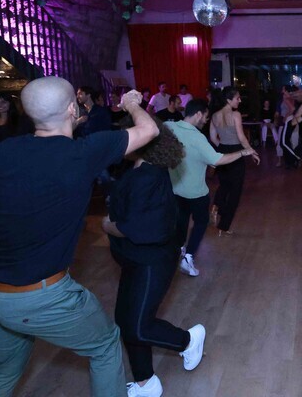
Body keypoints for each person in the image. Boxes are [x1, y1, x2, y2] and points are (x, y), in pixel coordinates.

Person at [0, 78, 158, 396]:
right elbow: (148, 130)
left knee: (5, 367)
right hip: (37, 297)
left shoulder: (2, 151)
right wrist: (131, 104)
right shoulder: (84, 152)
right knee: (105, 345)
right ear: (73, 108)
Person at [103, 115, 205, 397]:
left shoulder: (148, 176)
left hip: (152, 260)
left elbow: (141, 229)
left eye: (126, 135)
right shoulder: (141, 168)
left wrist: (107, 225)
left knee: (137, 325)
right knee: (126, 321)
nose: (122, 142)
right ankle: (145, 383)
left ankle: (188, 340)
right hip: (135, 258)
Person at [166, 99, 258, 277]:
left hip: (175, 188)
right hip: (196, 192)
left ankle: (178, 249)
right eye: (205, 117)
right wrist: (242, 152)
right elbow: (218, 160)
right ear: (198, 114)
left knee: (182, 219)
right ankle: (188, 257)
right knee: (201, 222)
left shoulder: (169, 127)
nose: (206, 120)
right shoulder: (197, 137)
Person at [210, 87, 260, 235]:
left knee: (224, 185)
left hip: (222, 151)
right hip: (236, 152)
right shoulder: (235, 114)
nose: (240, 100)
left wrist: (222, 148)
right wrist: (251, 151)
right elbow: (241, 137)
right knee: (235, 192)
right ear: (228, 100)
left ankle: (217, 205)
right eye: (237, 98)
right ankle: (224, 226)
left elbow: (212, 137)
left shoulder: (214, 115)